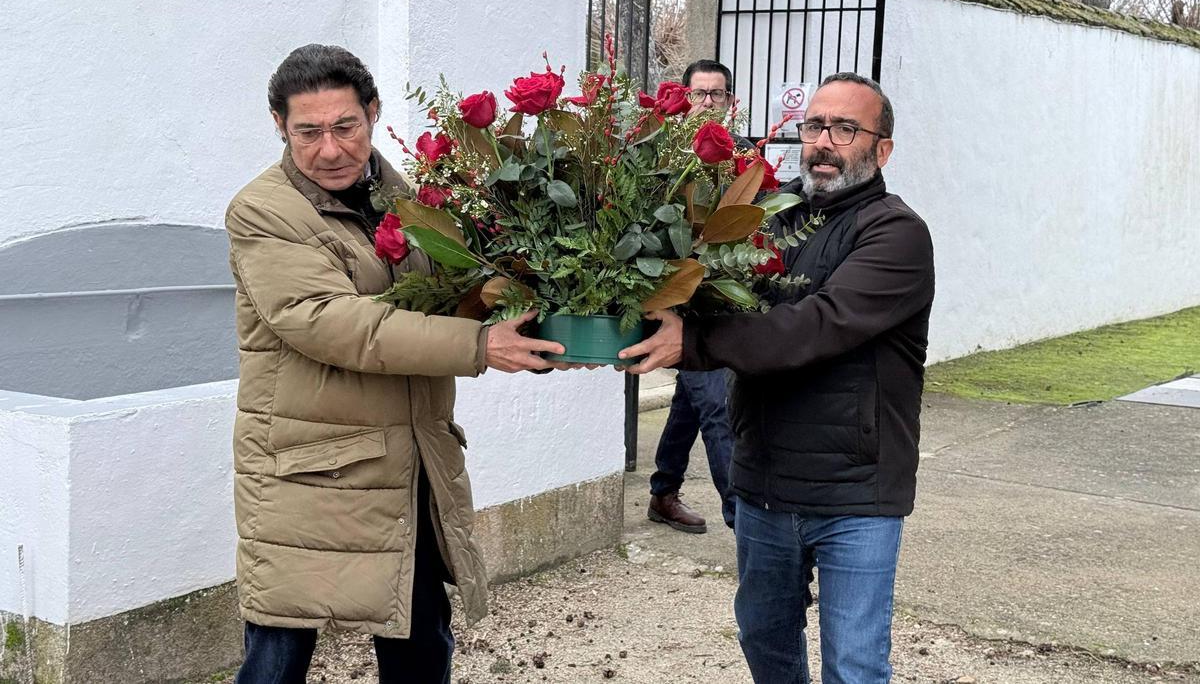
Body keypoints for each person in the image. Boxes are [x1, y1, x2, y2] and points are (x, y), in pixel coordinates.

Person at [225, 44, 566, 684]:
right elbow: (326, 321)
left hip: (409, 462)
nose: (330, 149)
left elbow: (451, 293)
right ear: (279, 126)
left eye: (345, 126)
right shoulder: (263, 211)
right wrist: (479, 346)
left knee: (421, 642)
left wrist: (549, 321)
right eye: (308, 132)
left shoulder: (403, 197)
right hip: (312, 471)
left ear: (373, 113)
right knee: (280, 652)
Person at [619, 71, 935, 684]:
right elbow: (705, 290)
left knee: (854, 665)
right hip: (765, 481)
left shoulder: (896, 234)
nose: (823, 142)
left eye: (845, 129)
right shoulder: (765, 217)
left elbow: (815, 326)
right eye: (814, 126)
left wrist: (696, 342)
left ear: (883, 150)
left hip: (856, 494)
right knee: (765, 638)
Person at [645, 59, 739, 533]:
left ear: (730, 101)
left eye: (716, 94)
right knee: (718, 406)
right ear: (684, 99)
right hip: (678, 301)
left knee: (693, 397)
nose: (707, 102)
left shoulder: (741, 159)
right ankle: (743, 521)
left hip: (721, 299)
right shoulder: (661, 156)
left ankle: (663, 492)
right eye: (699, 93)